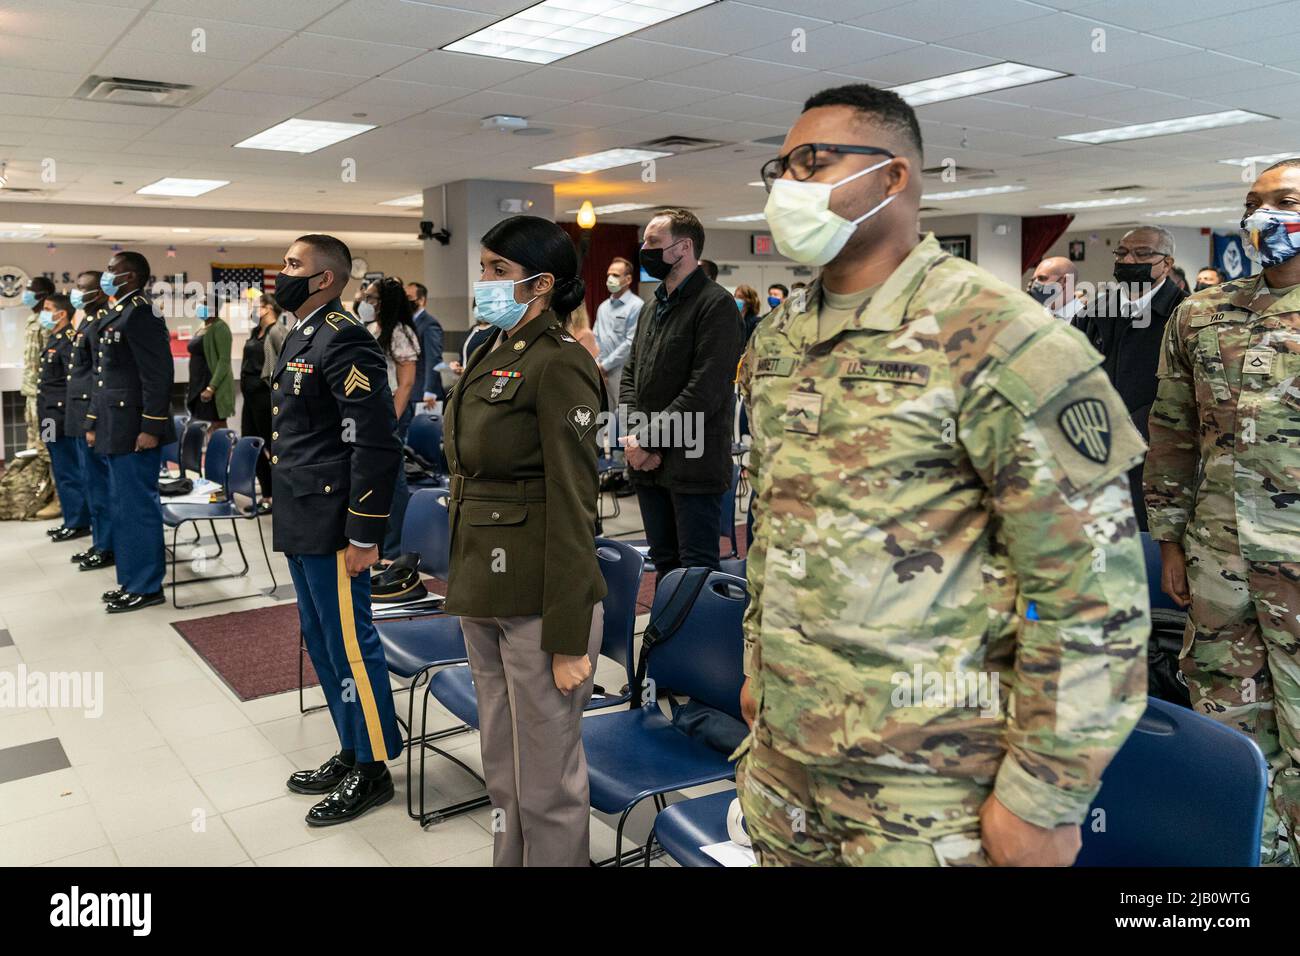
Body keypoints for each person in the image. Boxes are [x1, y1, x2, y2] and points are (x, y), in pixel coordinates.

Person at [737, 82, 1149, 867]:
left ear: (894, 178)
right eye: (781, 169)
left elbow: (1093, 591)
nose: (788, 186)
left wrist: (1045, 797)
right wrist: (760, 663)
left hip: (928, 791)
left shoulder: (1001, 337)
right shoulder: (780, 339)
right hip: (788, 766)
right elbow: (776, 526)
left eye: (813, 163)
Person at [1145, 157, 1300, 866]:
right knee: (1229, 720)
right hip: (1219, 561)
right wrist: (1169, 541)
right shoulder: (1201, 314)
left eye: (1285, 201)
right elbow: (1172, 435)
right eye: (1254, 202)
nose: (1264, 216)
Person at [442, 215, 606, 866]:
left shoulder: (560, 364)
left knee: (547, 780)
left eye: (497, 271)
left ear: (541, 284)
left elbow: (575, 504)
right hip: (484, 581)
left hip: (541, 594)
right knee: (503, 767)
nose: (483, 281)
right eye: (482, 268)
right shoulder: (490, 349)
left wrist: (568, 636)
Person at [271, 234, 404, 825]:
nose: (283, 271)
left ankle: (374, 768)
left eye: (293, 264)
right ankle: (352, 746)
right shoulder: (304, 332)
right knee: (322, 641)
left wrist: (365, 533)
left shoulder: (345, 335)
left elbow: (374, 442)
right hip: (303, 511)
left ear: (324, 278)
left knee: (352, 644)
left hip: (334, 521)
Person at [620, 208, 744, 577]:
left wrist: (648, 441)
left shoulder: (716, 305)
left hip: (693, 464)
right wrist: (634, 438)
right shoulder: (651, 307)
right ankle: (665, 636)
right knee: (664, 564)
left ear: (683, 247)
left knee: (694, 572)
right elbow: (632, 375)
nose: (644, 249)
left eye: (653, 243)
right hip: (647, 464)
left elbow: (704, 390)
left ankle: (695, 637)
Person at [1073, 225, 1186, 530]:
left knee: (1149, 547)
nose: (1128, 260)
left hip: (1159, 459)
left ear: (1167, 263)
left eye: (1142, 253)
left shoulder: (1186, 314)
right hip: (1094, 449)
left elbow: (1189, 389)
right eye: (1122, 253)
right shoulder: (1095, 311)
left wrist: (1130, 431)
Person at [91, 252, 176, 613]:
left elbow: (157, 374)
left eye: (111, 270)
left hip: (135, 428)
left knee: (137, 509)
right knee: (121, 508)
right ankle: (130, 580)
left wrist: (152, 427)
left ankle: (147, 585)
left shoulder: (142, 312)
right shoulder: (119, 312)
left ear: (129, 276)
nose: (105, 275)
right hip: (116, 425)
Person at [361, 277, 419, 561]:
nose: (367, 303)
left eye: (372, 299)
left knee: (394, 483)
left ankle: (396, 550)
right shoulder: (373, 329)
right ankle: (377, 543)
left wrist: (391, 421)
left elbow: (406, 383)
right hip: (370, 413)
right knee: (374, 481)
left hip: (392, 411)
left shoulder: (400, 332)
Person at [66, 271, 116, 571]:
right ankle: (99, 542)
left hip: (91, 414)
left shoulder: (100, 323)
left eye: (82, 289)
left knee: (100, 487)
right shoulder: (87, 321)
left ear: (97, 292)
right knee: (90, 484)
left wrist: (93, 419)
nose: (77, 293)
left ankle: (107, 546)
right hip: (79, 412)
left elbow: (101, 375)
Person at [0, 276, 57, 522]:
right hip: (31, 396)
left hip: (45, 398)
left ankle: (59, 500)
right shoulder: (32, 320)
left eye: (31, 291)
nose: (27, 294)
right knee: (36, 446)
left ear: (43, 294)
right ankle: (39, 495)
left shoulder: (48, 324)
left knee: (49, 448)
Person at [36, 293, 91, 543]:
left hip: (61, 416)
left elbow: (75, 383)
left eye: (48, 309)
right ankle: (69, 517)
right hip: (48, 416)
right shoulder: (53, 338)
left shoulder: (69, 340)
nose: (43, 313)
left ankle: (78, 521)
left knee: (69, 469)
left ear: (62, 313)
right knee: (57, 465)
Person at [240, 293, 288, 507]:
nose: (252, 309)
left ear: (268, 308)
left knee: (273, 446)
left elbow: (287, 364)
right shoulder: (254, 331)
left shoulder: (277, 331)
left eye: (256, 305)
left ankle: (283, 495)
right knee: (252, 443)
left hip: (266, 397)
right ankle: (267, 494)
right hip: (250, 398)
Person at [593, 257, 642, 410]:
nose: (610, 279)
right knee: (603, 412)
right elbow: (596, 337)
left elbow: (630, 342)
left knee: (623, 413)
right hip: (601, 369)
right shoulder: (603, 307)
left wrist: (605, 366)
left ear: (628, 279)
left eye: (615, 275)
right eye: (609, 275)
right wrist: (597, 365)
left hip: (622, 370)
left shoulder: (636, 306)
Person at [186, 300, 233, 430]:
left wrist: (211, 388)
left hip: (212, 386)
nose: (199, 307)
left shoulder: (221, 328)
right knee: (207, 426)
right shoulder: (203, 326)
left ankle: (223, 449)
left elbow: (224, 361)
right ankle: (211, 450)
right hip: (199, 384)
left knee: (217, 424)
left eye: (203, 304)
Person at [405, 281, 446, 410]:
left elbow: (433, 359)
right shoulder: (409, 322)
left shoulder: (429, 324)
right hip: (411, 391)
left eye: (409, 298)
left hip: (424, 393)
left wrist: (430, 390)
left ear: (421, 300)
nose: (405, 302)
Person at [1027, 255, 1084, 322]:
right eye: (1033, 279)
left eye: (1042, 278)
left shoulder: (1087, 321)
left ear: (1065, 280)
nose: (1034, 284)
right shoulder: (1036, 316)